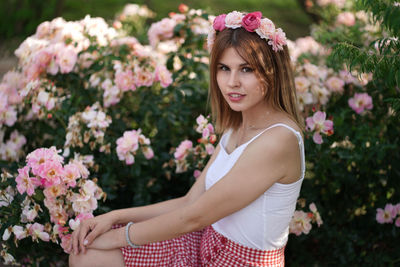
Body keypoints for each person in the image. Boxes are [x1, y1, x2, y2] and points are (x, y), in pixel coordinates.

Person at [69, 10, 305, 267]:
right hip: (205, 243)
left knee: (91, 252)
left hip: (242, 262)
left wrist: (115, 238)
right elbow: (190, 201)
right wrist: (114, 217)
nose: (232, 82)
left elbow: (194, 217)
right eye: (224, 68)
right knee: (87, 254)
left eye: (246, 69)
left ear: (272, 72)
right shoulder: (237, 126)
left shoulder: (279, 139)